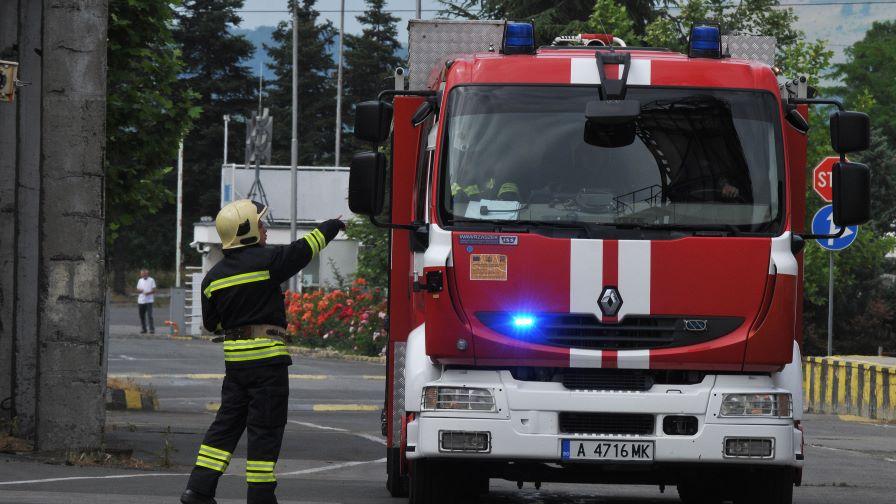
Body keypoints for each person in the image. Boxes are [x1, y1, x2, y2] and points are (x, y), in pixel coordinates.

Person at [180, 199, 344, 504]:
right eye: (260, 223)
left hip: (236, 368)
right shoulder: (269, 261)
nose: (265, 228)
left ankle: (198, 490)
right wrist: (333, 225)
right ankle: (260, 497)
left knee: (225, 427)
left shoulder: (212, 280)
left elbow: (212, 324)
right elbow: (304, 248)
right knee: (265, 430)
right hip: (268, 365)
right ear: (247, 231)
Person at [136, 269, 156, 334]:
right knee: (142, 316)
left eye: (145, 274)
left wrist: (148, 293)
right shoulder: (140, 280)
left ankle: (151, 329)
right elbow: (137, 289)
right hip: (141, 301)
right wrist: (140, 291)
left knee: (150, 315)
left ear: (147, 274)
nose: (144, 275)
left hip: (149, 301)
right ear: (141, 274)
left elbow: (154, 290)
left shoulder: (151, 280)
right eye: (142, 274)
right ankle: (144, 329)